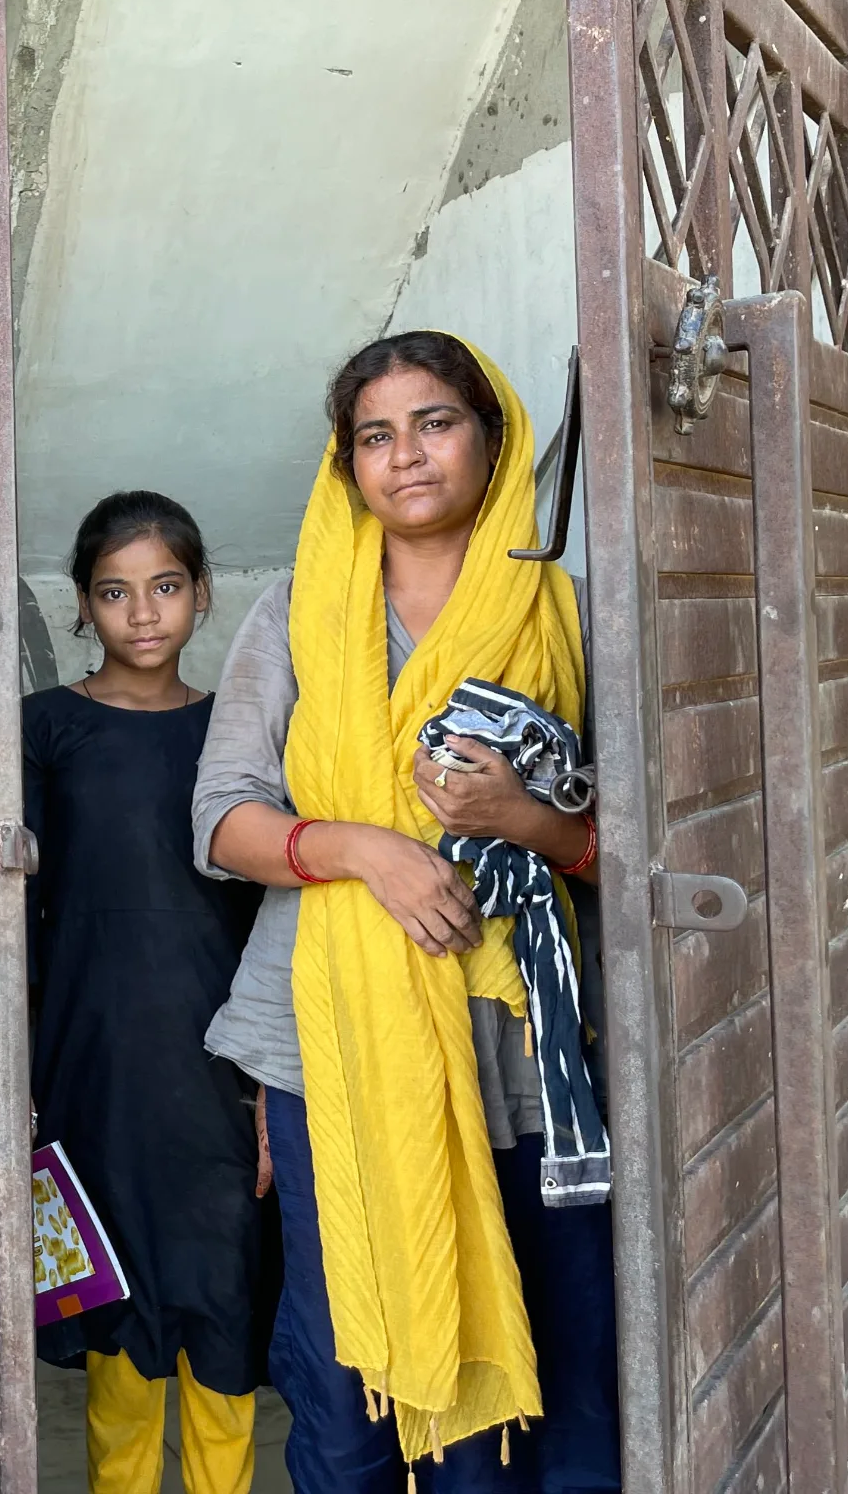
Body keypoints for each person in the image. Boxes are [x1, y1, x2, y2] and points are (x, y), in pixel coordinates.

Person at [193, 334, 621, 1494]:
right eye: (373, 436)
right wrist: (366, 850)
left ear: (493, 437)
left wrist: (518, 818)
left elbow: (632, 846)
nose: (406, 455)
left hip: (521, 1045)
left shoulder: (565, 613)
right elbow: (222, 821)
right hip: (335, 1042)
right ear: (347, 466)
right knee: (351, 1366)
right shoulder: (296, 615)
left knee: (556, 1339)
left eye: (435, 422)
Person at [23, 492, 280, 1494]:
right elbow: (19, 919)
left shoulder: (237, 737)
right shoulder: (46, 731)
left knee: (221, 1297)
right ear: (83, 605)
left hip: (219, 1065)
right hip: (91, 1069)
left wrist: (269, 1076)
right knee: (117, 1311)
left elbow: (268, 918)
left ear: (203, 595)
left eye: (166, 586)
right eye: (116, 592)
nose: (144, 613)